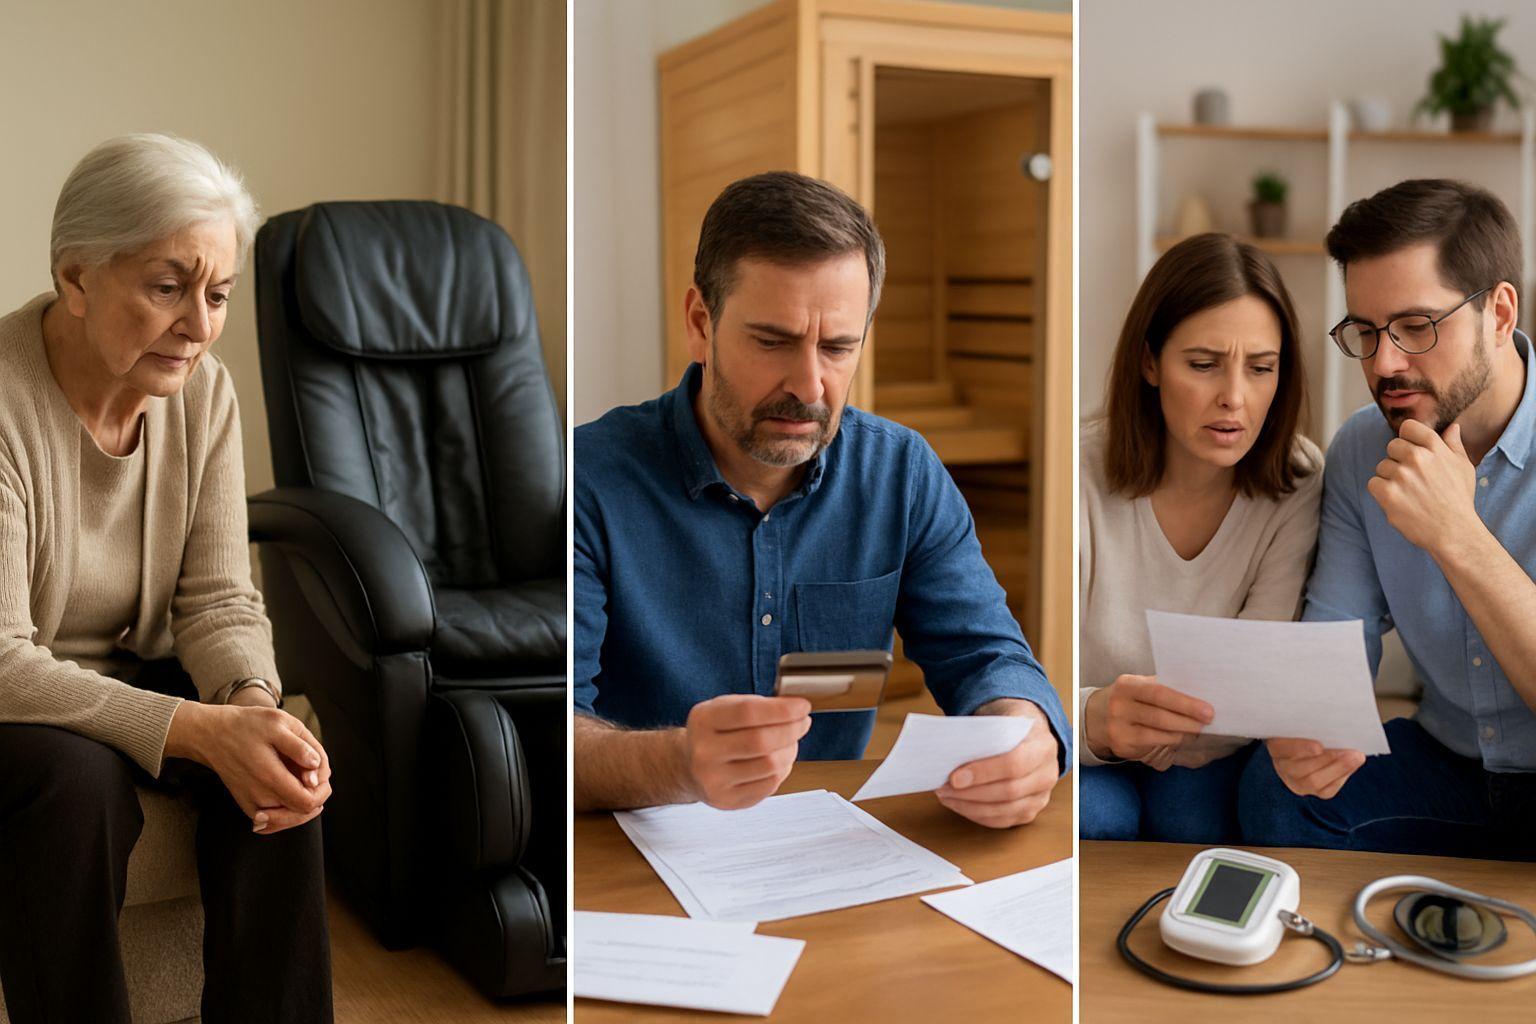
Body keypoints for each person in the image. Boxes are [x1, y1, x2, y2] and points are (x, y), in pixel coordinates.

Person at [573, 171, 1069, 827]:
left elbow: (987, 656)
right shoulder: (589, 479)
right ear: (700, 321)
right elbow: (545, 734)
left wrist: (1025, 732)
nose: (809, 385)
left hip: (830, 845)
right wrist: (680, 762)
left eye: (837, 347)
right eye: (772, 341)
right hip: (630, 849)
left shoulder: (902, 472)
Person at [0, 134, 333, 1022]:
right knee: (77, 785)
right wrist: (194, 728)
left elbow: (217, 597)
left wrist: (252, 704)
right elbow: (2, 663)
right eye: (166, 286)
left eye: (217, 293)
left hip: (134, 673)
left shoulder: (203, 392)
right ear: (76, 278)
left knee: (277, 757)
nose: (198, 324)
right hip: (16, 701)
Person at [1240, 179, 1536, 860]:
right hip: (1449, 764)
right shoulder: (1361, 450)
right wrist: (1310, 726)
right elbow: (1334, 644)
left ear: (1498, 312)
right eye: (1366, 332)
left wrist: (1456, 534)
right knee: (1275, 792)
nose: (1385, 364)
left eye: (1415, 327)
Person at [1080, 233, 1323, 843]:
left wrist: (1171, 738)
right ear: (1149, 362)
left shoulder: (1299, 479)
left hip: (1212, 749)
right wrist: (1094, 718)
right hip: (1086, 738)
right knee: (1097, 820)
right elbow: (1021, 674)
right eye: (1203, 364)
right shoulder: (1077, 471)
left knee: (1193, 820)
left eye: (1261, 368)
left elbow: (1259, 684)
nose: (1234, 398)